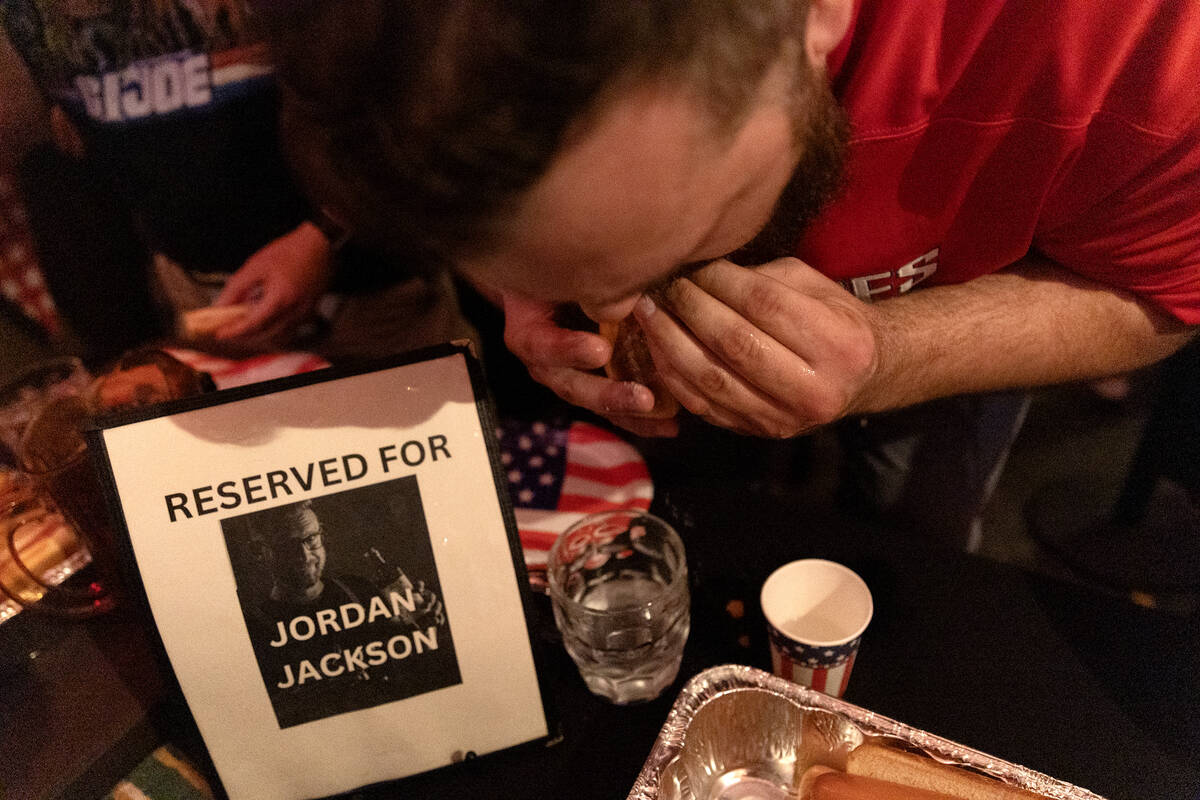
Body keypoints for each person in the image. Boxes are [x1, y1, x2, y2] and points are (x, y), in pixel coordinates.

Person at [263, 1, 1198, 546]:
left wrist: (892, 356)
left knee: (912, 535)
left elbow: (1162, 296)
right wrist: (535, 272)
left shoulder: (1148, 44)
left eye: (677, 235)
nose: (614, 312)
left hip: (966, 339)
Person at [0, 0, 469, 362]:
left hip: (373, 288)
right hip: (201, 298)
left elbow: (401, 97)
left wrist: (325, 234)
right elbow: (45, 149)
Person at [237, 499, 453, 728]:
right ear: (260, 552)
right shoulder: (255, 630)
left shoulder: (359, 590)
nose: (304, 555)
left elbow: (411, 666)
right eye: (286, 545)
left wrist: (422, 629)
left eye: (311, 539)